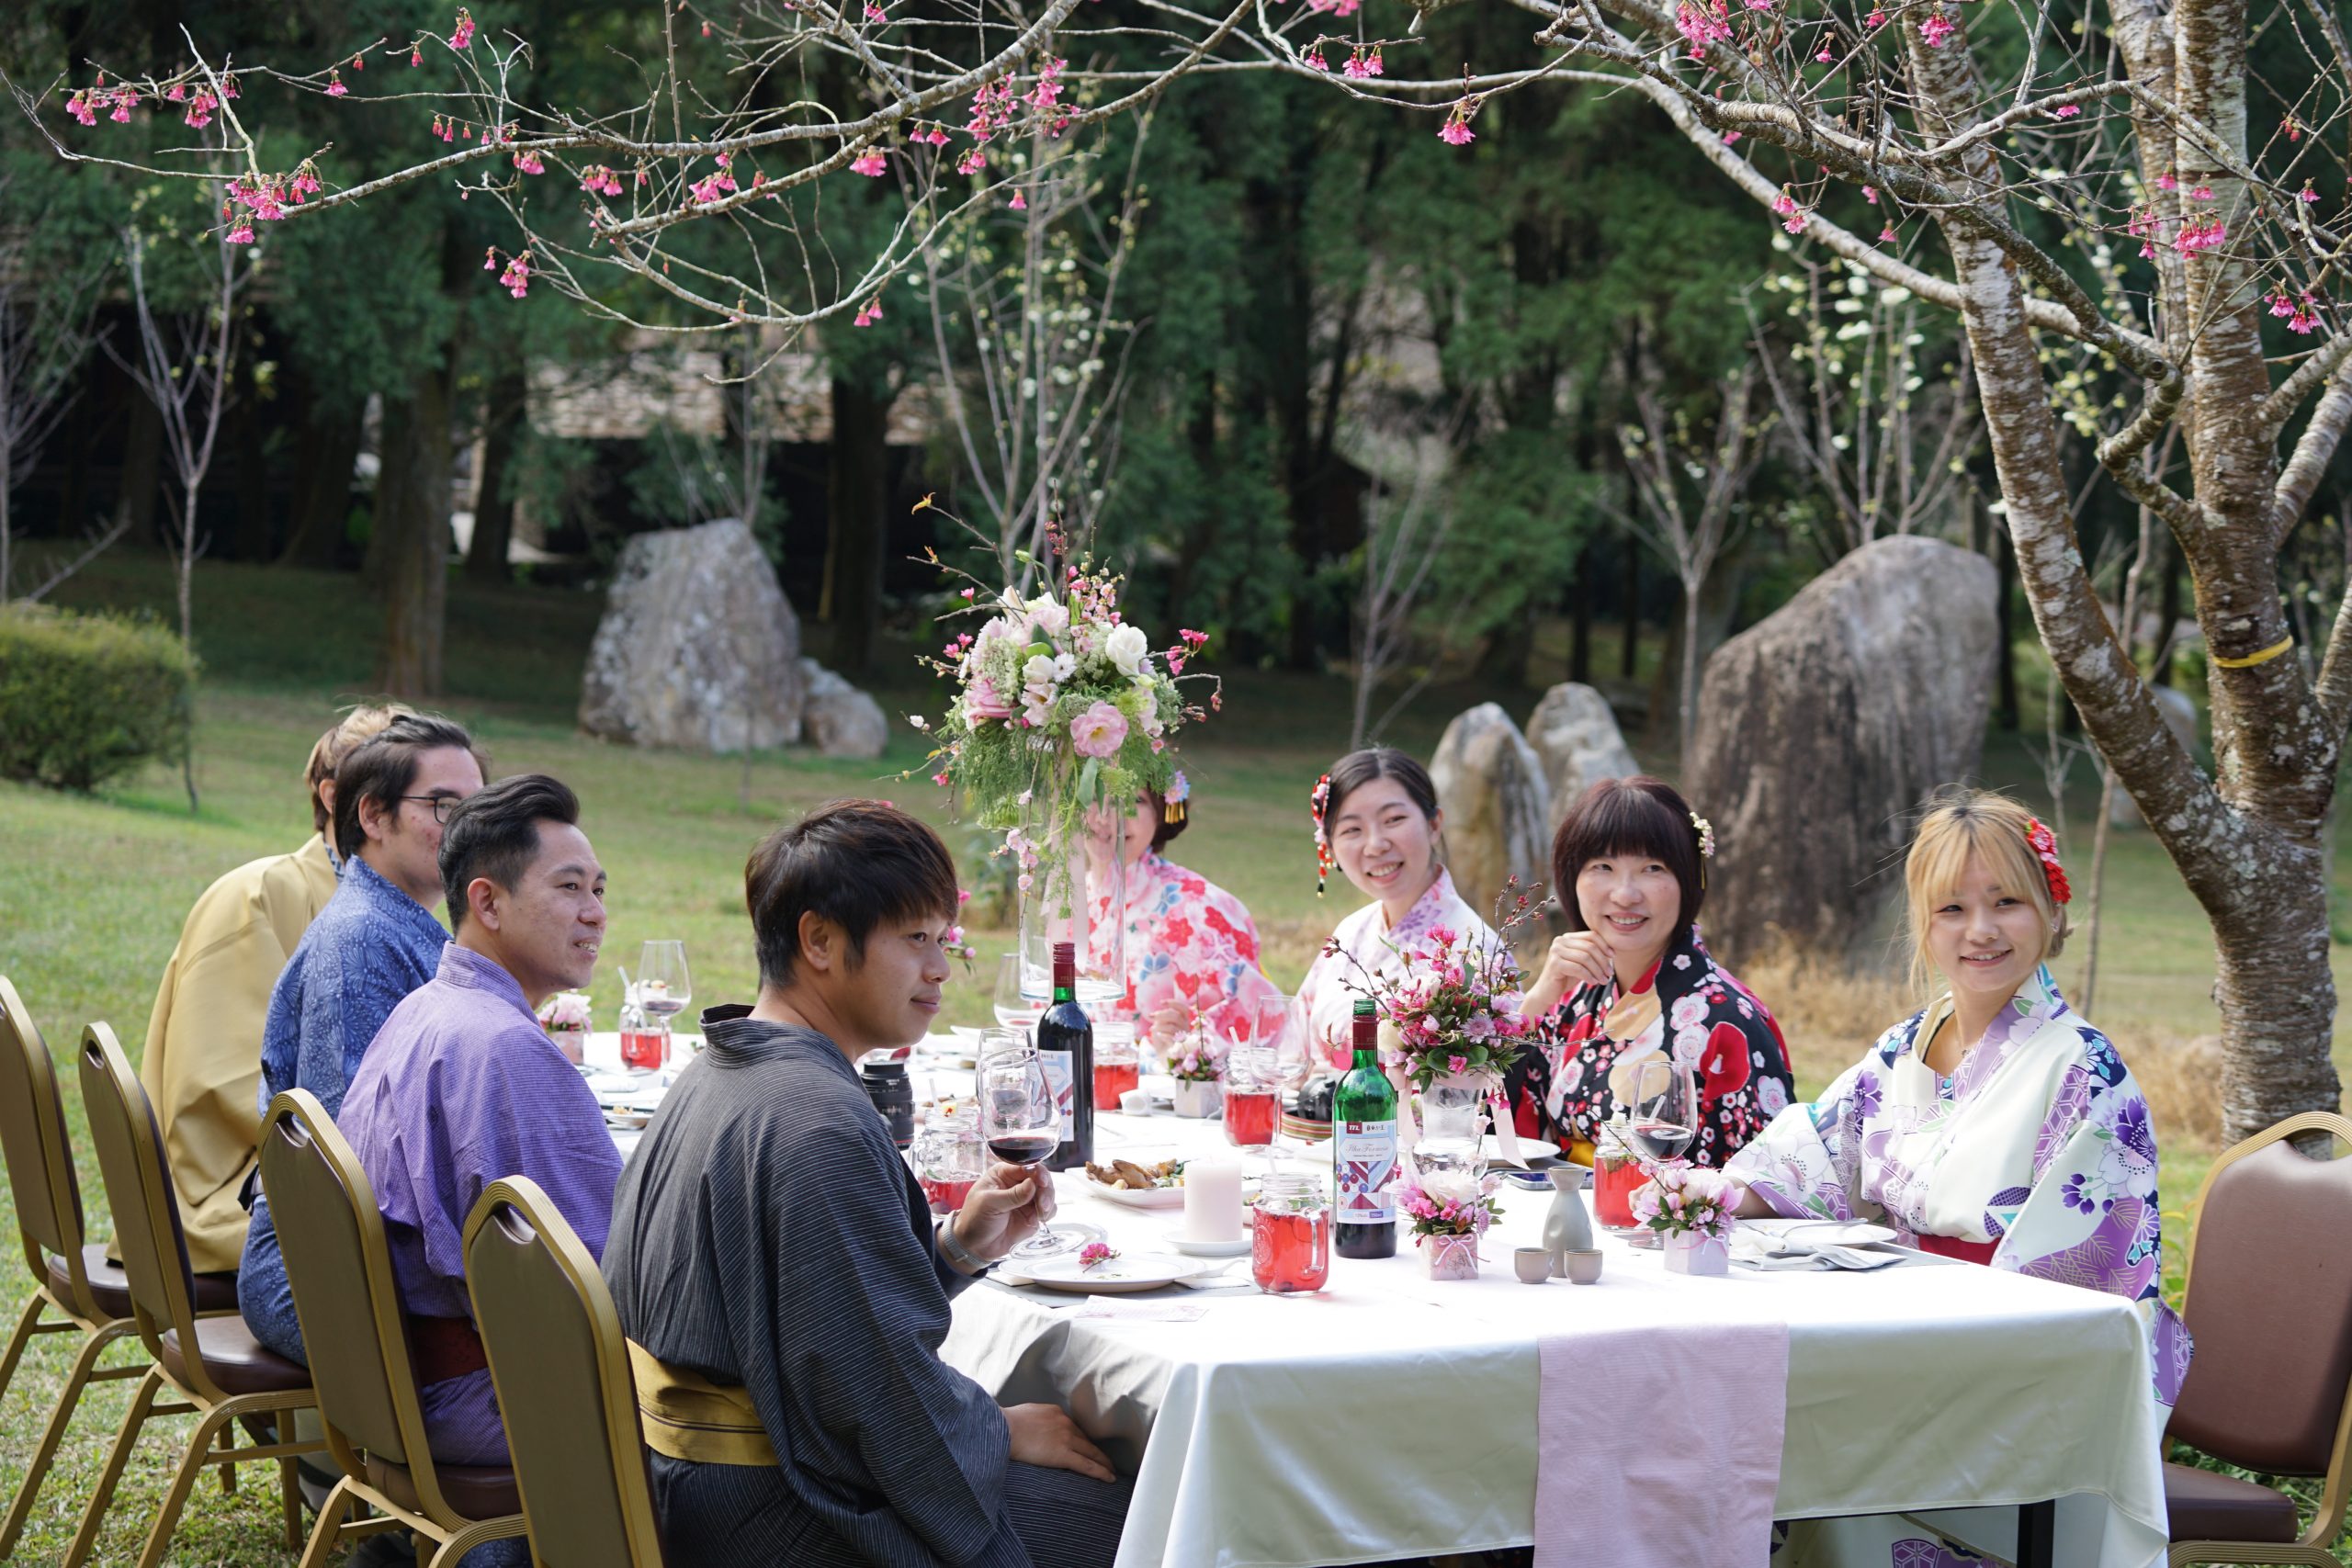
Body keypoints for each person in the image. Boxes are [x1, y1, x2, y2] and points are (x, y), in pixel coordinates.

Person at [604, 800, 1133, 1567]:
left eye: (942, 940)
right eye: (915, 938)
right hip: (775, 1519)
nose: (941, 967)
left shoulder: (721, 1070)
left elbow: (812, 1311)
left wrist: (955, 1247)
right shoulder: (816, 1121)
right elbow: (877, 1399)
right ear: (819, 939)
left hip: (686, 1488)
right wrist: (999, 1427)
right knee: (1159, 1515)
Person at [1724, 789, 2191, 1404]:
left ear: (2052, 911)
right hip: (1903, 1330)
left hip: (2007, 1369)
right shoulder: (1903, 1048)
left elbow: (2084, 1279)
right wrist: (1708, 1198)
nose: (1981, 930)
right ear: (1924, 924)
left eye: (2007, 902)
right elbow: (1816, 1155)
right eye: (1952, 908)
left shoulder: (2083, 1067)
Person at [338, 773, 621, 1535]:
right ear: (488, 902)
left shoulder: (423, 1008)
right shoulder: (504, 1050)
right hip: (481, 1401)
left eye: (598, 888)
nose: (595, 912)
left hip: (395, 1389)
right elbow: (612, 1285)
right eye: (569, 888)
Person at [239, 713, 485, 1364]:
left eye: (476, 807)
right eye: (442, 805)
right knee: (581, 1368)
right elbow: (354, 1172)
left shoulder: (400, 924)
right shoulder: (362, 943)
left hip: (356, 1269)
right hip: (320, 1285)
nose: (469, 829)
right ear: (372, 816)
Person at [136, 705, 404, 1275]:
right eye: (427, 799)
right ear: (339, 799)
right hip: (244, 1196)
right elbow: (219, 1089)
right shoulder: (255, 897)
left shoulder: (403, 912)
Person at [1504, 777, 1793, 1169]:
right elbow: (1502, 1126)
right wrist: (1538, 998)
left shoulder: (1731, 1020)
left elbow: (1767, 1181)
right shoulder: (1573, 998)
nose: (1625, 894)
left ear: (1689, 880)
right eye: (1602, 866)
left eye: (1652, 868)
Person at [1294, 748, 1506, 1068]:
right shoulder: (1351, 932)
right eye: (1352, 829)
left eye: (1394, 820)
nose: (1376, 844)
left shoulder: (1476, 951)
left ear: (1434, 824)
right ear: (1329, 846)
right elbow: (1293, 1044)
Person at [1087, 774, 1283, 1055]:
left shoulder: (1197, 907)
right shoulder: (1067, 902)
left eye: (1134, 800)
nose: (1108, 815)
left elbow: (1260, 1029)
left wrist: (1185, 1044)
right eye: (1094, 794)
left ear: (1161, 813)